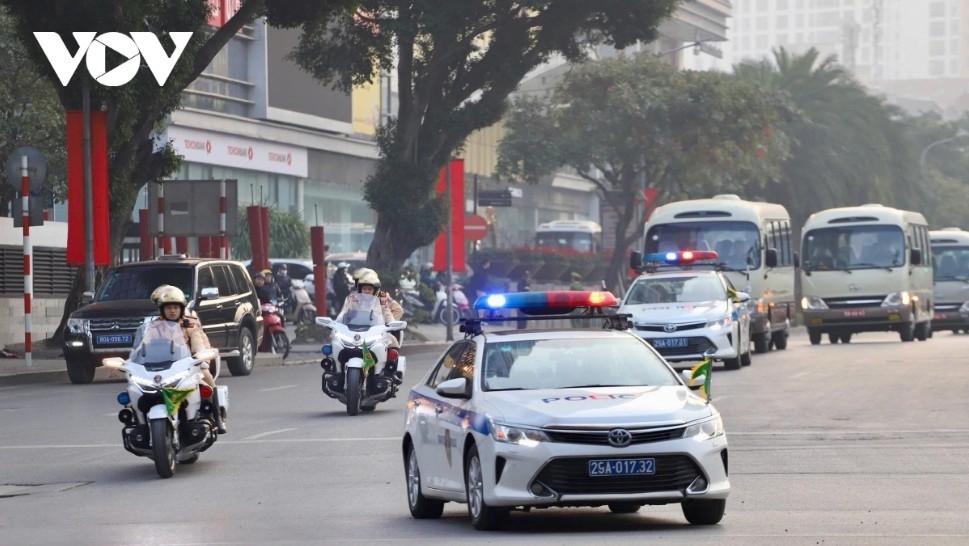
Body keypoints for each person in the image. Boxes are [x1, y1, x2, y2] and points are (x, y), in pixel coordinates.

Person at [140, 285, 225, 434]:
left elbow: (199, 345)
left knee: (207, 380)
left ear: (181, 309)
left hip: (189, 367)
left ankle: (217, 416)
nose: (172, 311)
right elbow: (143, 348)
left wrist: (201, 359)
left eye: (175, 307)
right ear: (161, 310)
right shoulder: (154, 328)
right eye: (168, 308)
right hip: (163, 368)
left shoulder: (190, 325)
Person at [342, 268, 403, 349]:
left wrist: (387, 325)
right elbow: (345, 314)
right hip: (355, 332)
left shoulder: (382, 298)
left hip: (376, 331)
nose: (367, 291)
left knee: (393, 342)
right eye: (364, 288)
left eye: (370, 289)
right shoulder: (353, 297)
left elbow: (392, 311)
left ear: (375, 289)